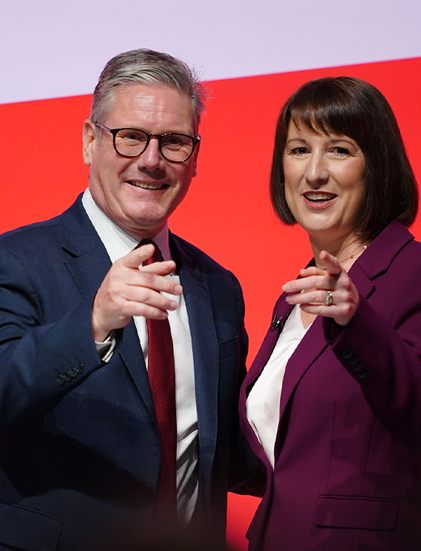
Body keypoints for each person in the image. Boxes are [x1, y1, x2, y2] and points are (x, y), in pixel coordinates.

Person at [0, 49, 255, 549]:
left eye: (174, 142)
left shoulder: (218, 287)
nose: (152, 160)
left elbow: (231, 453)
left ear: (195, 158)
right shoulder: (17, 260)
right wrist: (94, 322)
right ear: (90, 141)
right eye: (131, 136)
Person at [239, 76, 421, 551]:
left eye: (339, 150)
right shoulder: (295, 295)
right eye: (299, 150)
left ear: (377, 166)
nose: (314, 173)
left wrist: (357, 321)